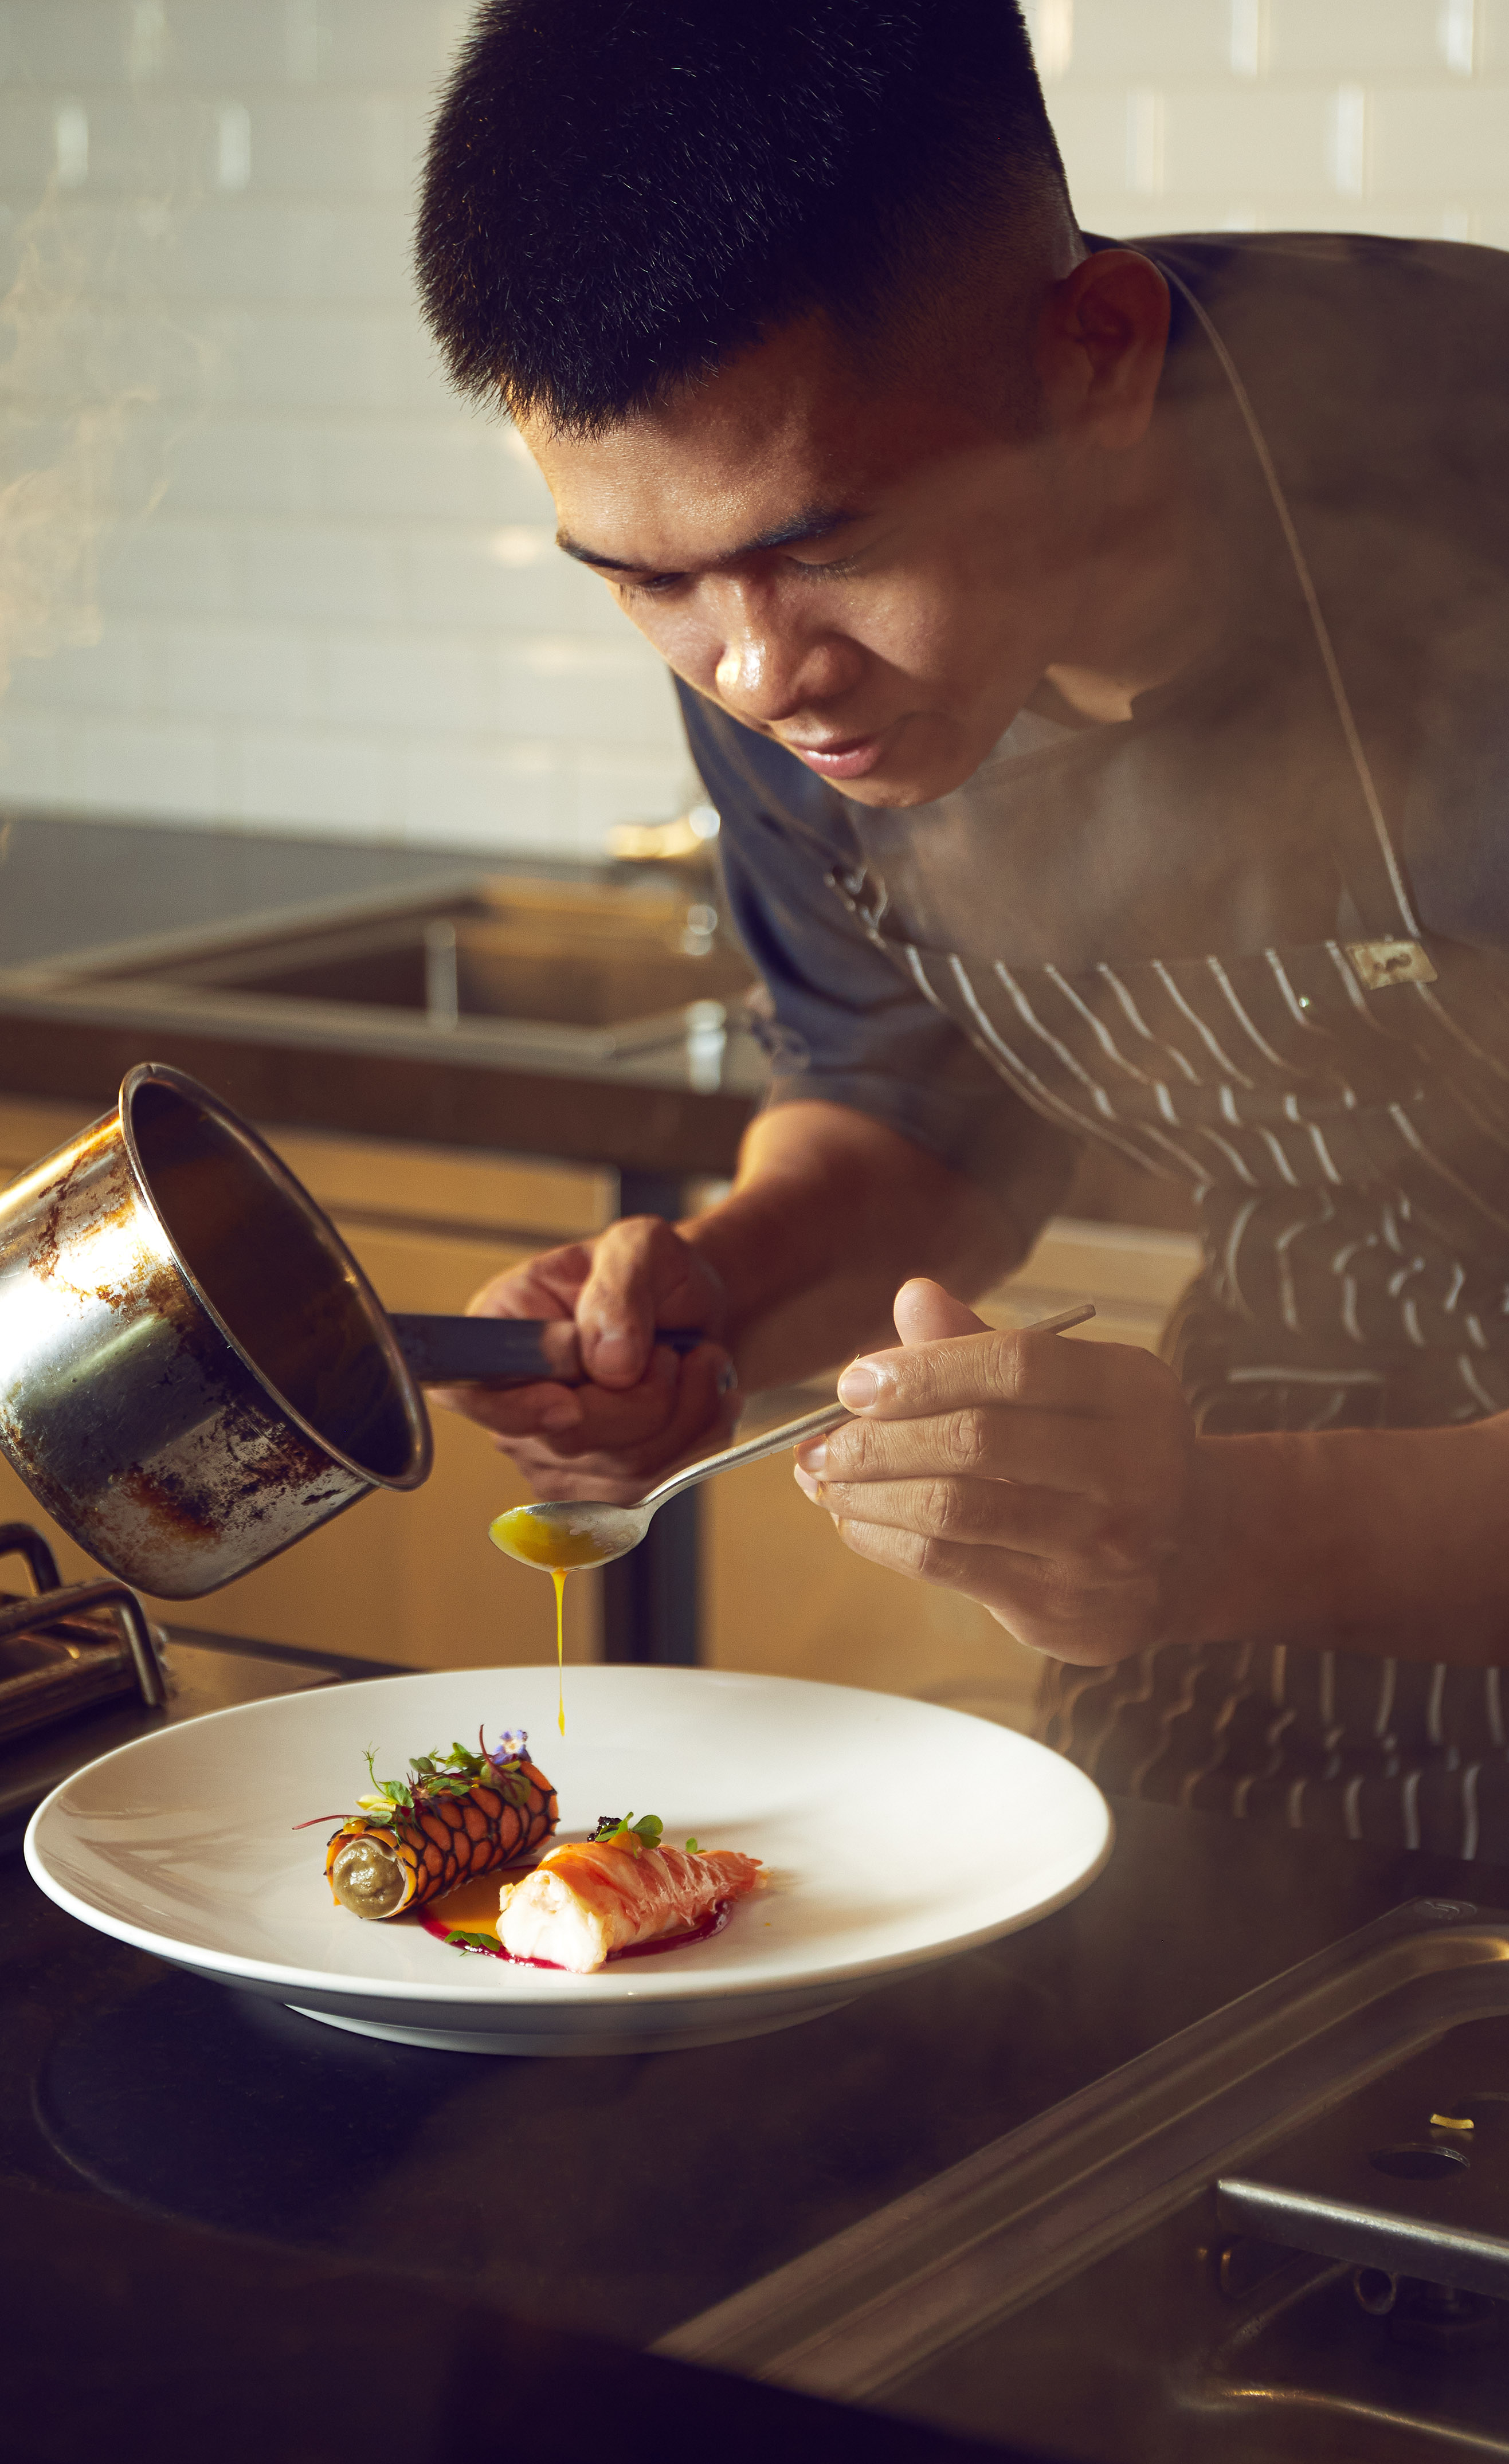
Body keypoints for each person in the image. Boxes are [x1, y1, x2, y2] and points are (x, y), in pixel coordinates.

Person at [411, 0, 1509, 1858]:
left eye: (832, 544)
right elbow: (910, 1105)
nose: (754, 673)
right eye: (651, 579)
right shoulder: (778, 634)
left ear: (1095, 357)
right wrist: (714, 1300)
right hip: (1250, 1644)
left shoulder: (1463, 485)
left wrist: (1226, 1532)